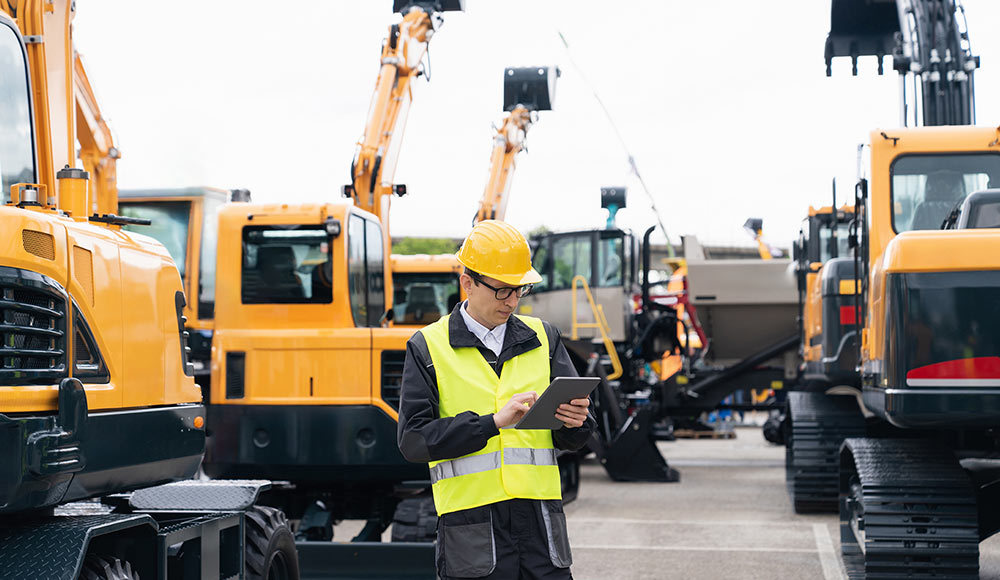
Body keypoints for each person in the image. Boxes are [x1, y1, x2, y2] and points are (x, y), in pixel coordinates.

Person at [397, 220, 596, 580]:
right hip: (471, 524)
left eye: (520, 290)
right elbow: (413, 441)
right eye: (503, 291)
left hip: (539, 522)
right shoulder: (428, 347)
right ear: (468, 283)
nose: (513, 301)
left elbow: (574, 436)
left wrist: (576, 421)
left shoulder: (543, 337)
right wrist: (492, 423)